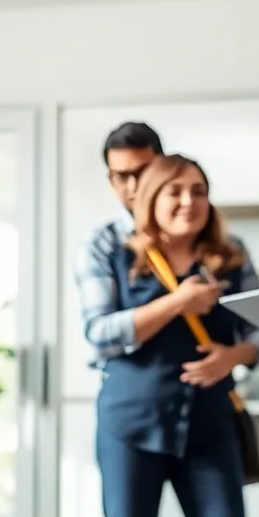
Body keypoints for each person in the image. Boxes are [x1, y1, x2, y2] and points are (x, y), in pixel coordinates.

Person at [79, 153, 259, 517]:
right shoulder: (116, 252)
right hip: (131, 427)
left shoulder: (231, 254)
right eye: (176, 191)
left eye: (199, 191)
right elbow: (99, 334)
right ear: (150, 198)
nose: (189, 201)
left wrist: (235, 356)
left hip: (210, 425)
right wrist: (178, 302)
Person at [75, 121, 165, 362]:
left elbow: (251, 332)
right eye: (123, 176)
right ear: (111, 180)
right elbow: (99, 334)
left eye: (143, 172)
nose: (134, 187)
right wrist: (178, 303)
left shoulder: (204, 238)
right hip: (131, 395)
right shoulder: (99, 244)